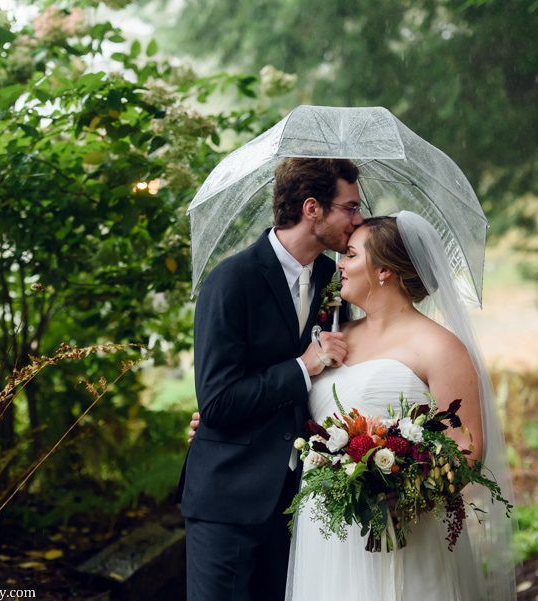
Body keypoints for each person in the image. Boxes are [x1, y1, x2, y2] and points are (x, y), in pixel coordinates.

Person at [284, 212, 515, 601]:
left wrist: (403, 492)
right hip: (325, 530)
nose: (339, 264)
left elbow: (468, 449)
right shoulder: (332, 337)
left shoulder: (439, 347)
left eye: (351, 255)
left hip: (404, 527)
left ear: (384, 271)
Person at [177, 157, 364, 601]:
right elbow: (219, 401)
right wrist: (305, 365)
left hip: (296, 500)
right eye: (351, 208)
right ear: (312, 208)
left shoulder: (331, 279)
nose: (359, 221)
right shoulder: (230, 281)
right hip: (228, 499)